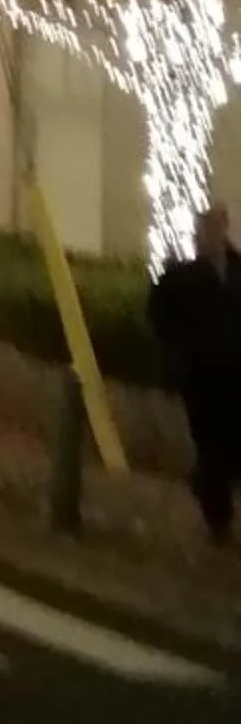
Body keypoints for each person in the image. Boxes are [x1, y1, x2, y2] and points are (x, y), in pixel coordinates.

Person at [147, 201, 241, 543]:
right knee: (211, 445)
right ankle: (218, 518)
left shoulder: (236, 270)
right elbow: (158, 315)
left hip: (235, 376)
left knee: (229, 447)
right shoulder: (182, 276)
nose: (206, 237)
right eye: (202, 230)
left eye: (213, 229)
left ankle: (208, 487)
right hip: (201, 379)